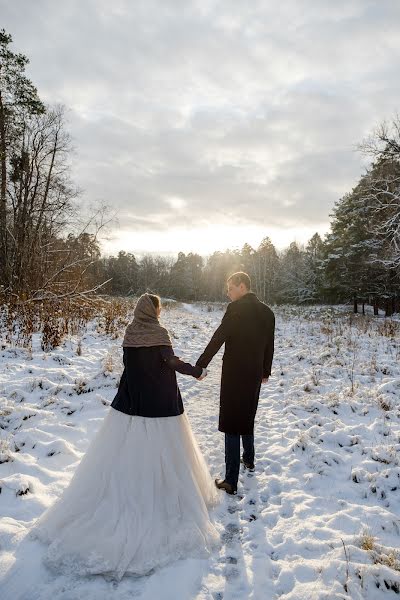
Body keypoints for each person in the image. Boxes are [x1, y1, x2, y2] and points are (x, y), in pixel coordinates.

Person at [29, 293, 219, 581]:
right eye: (159, 308)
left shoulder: (131, 332)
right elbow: (170, 361)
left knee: (126, 452)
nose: (160, 312)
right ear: (154, 310)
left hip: (132, 402)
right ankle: (160, 493)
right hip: (160, 403)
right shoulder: (159, 332)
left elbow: (129, 366)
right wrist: (197, 372)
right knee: (166, 450)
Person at [196, 272, 275, 495]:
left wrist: (202, 364)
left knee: (231, 422)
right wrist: (265, 371)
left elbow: (219, 336)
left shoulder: (236, 309)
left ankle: (230, 480)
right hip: (254, 373)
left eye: (230, 288)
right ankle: (248, 459)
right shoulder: (267, 312)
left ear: (242, 287)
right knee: (248, 414)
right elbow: (270, 345)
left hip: (234, 373)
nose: (227, 292)